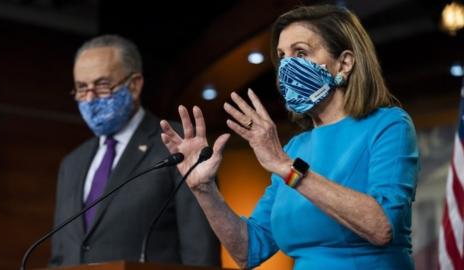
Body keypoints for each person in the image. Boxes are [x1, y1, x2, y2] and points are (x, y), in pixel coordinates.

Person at [159, 4, 419, 270]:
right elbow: (248, 250)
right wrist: (204, 189)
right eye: (282, 56)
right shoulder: (296, 147)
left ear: (344, 62)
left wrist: (287, 167)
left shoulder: (388, 125)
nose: (287, 66)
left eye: (301, 52)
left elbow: (381, 226)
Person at [50, 35, 220, 266]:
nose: (90, 98)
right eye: (81, 88)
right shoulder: (72, 163)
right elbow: (61, 255)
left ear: (134, 84)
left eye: (102, 85)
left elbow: (200, 249)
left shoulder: (178, 143)